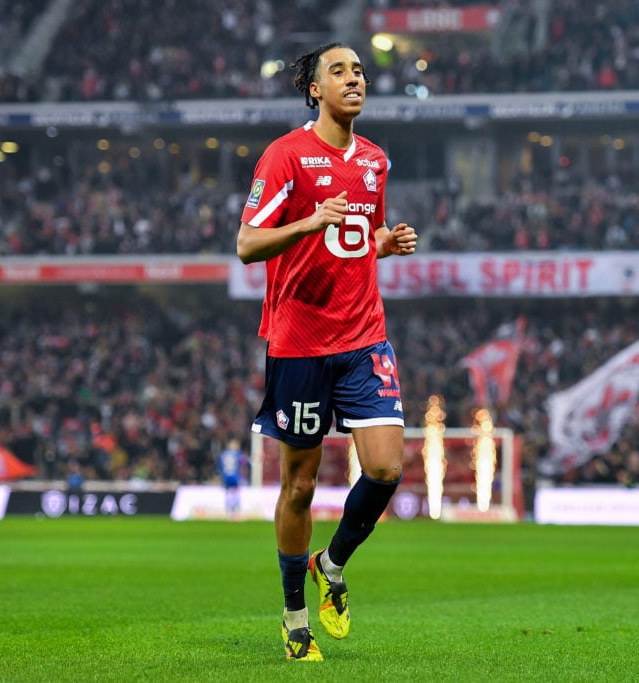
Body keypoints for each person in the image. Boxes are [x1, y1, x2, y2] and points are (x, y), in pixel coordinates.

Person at [236, 41, 418, 662]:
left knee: (388, 468)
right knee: (300, 485)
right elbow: (247, 244)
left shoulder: (374, 160)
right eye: (338, 71)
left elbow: (356, 239)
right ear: (314, 90)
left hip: (364, 335)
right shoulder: (285, 155)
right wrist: (307, 224)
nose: (353, 79)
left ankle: (331, 564)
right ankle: (293, 620)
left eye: (359, 70)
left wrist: (382, 244)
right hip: (301, 343)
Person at [216, 438, 248, 520]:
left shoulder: (223, 454)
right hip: (235, 477)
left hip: (225, 476)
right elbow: (245, 462)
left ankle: (228, 512)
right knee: (236, 493)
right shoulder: (238, 454)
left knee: (227, 494)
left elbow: (219, 465)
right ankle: (236, 512)